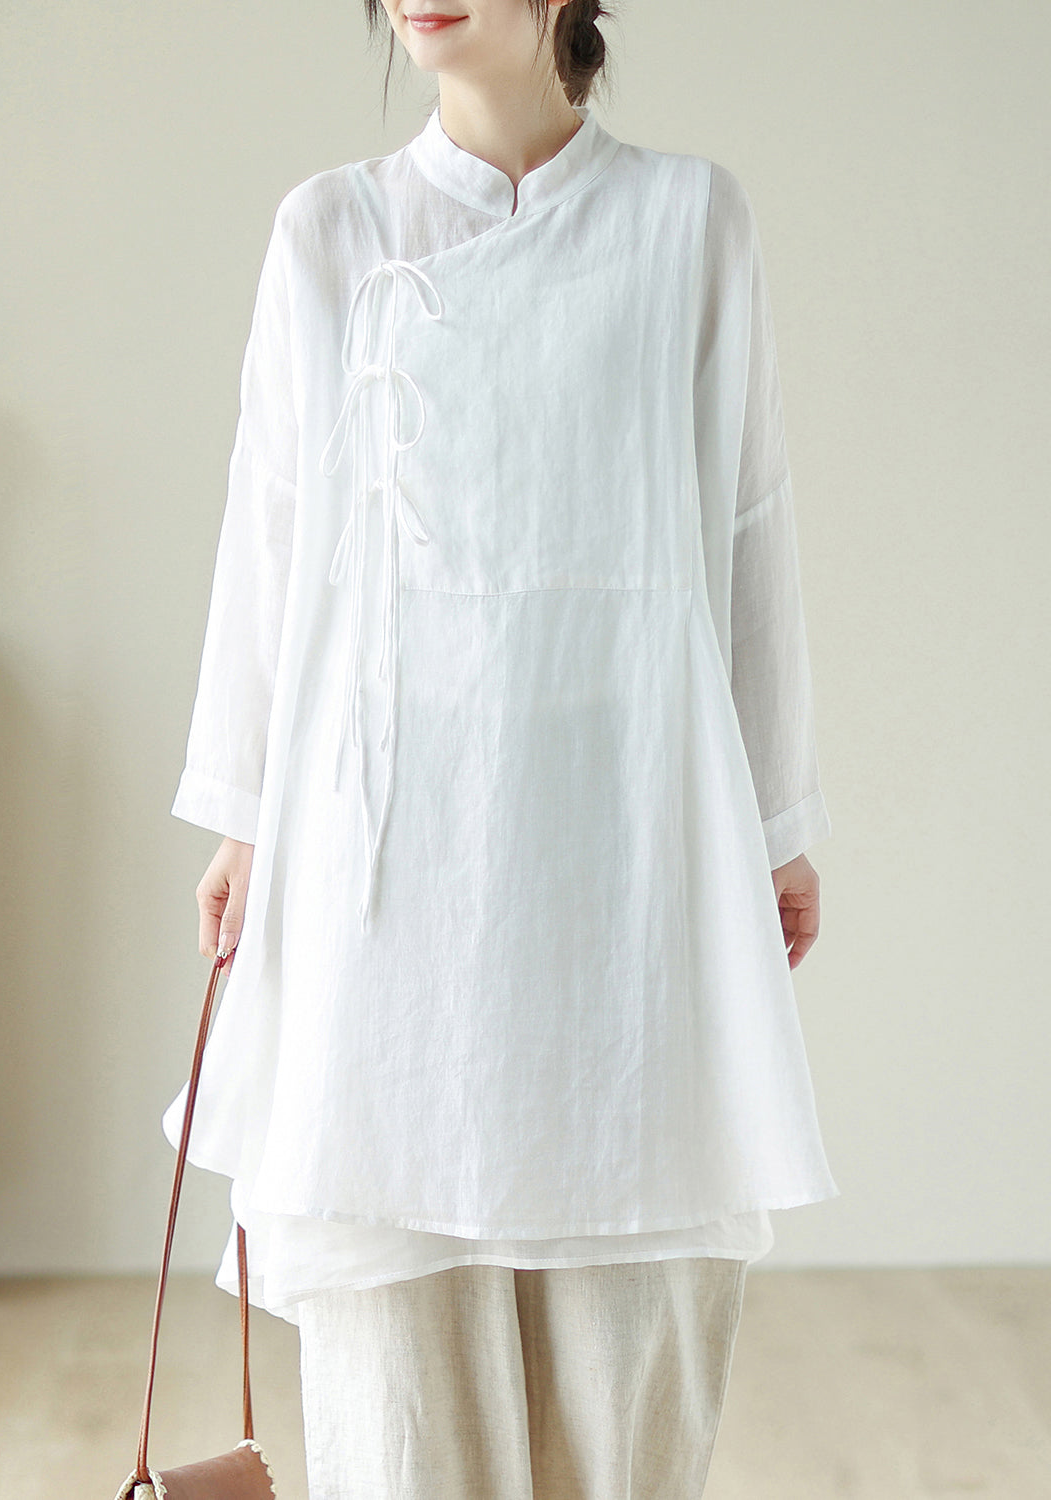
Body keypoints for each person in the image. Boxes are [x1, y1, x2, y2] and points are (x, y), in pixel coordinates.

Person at [162, 0, 841, 1494]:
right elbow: (273, 531)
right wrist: (247, 816)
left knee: (628, 1367)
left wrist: (774, 820)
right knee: (396, 1397)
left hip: (623, 845)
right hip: (381, 864)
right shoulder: (331, 231)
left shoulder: (686, 223)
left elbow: (747, 522)